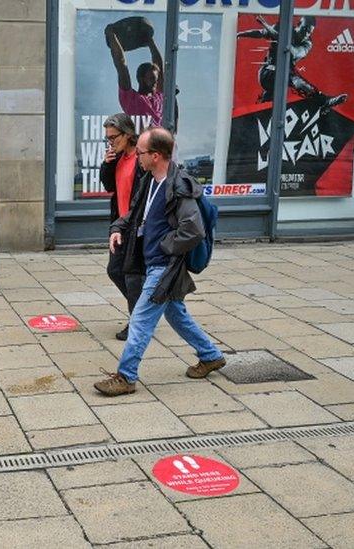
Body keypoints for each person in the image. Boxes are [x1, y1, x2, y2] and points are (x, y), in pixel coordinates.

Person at [95, 127, 226, 397]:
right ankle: (210, 355)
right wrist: (118, 227)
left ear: (155, 156)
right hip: (153, 261)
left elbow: (193, 230)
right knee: (176, 314)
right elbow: (135, 212)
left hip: (164, 266)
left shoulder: (179, 186)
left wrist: (165, 247)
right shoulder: (150, 180)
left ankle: (126, 376)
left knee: (141, 319)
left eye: (141, 152)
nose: (137, 156)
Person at [237, 15, 347, 112]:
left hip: (284, 77)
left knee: (289, 84)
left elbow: (295, 52)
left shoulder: (307, 43)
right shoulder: (282, 29)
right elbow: (260, 33)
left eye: (310, 32)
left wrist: (273, 32)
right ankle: (324, 101)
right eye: (305, 29)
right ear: (298, 25)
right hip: (268, 72)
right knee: (294, 79)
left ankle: (263, 104)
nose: (306, 34)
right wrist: (240, 34)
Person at [100, 113, 146, 341]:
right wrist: (106, 165)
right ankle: (145, 312)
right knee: (114, 270)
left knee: (131, 276)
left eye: (114, 138)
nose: (111, 142)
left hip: (137, 226)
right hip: (120, 225)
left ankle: (138, 322)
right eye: (108, 139)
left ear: (128, 135)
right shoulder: (117, 158)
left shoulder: (141, 159)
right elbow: (110, 187)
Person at [105, 17, 165, 128]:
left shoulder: (159, 97)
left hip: (162, 144)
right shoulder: (131, 100)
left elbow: (159, 64)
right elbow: (121, 65)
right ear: (141, 79)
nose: (156, 81)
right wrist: (112, 35)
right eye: (152, 78)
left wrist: (150, 41)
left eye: (156, 79)